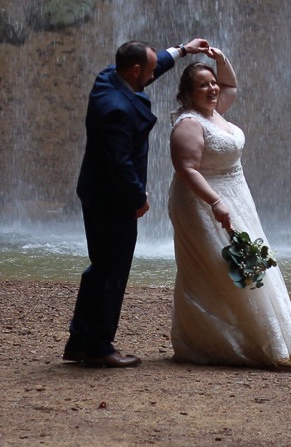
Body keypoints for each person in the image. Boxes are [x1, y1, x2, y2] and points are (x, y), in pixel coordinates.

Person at [66, 36, 211, 368]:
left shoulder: (108, 79)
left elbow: (148, 67)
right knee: (111, 272)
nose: (153, 72)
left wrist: (182, 51)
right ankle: (99, 346)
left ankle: (81, 340)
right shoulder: (116, 109)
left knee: (100, 268)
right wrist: (138, 197)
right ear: (134, 71)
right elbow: (119, 163)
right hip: (112, 198)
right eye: (148, 69)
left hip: (97, 192)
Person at [166, 45, 291, 370]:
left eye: (213, 83)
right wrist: (215, 201)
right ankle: (218, 341)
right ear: (188, 93)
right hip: (201, 200)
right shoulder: (189, 123)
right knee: (217, 269)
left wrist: (221, 59)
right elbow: (186, 169)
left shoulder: (215, 110)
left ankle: (260, 339)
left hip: (236, 195)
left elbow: (230, 86)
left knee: (248, 264)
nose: (213, 88)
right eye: (203, 85)